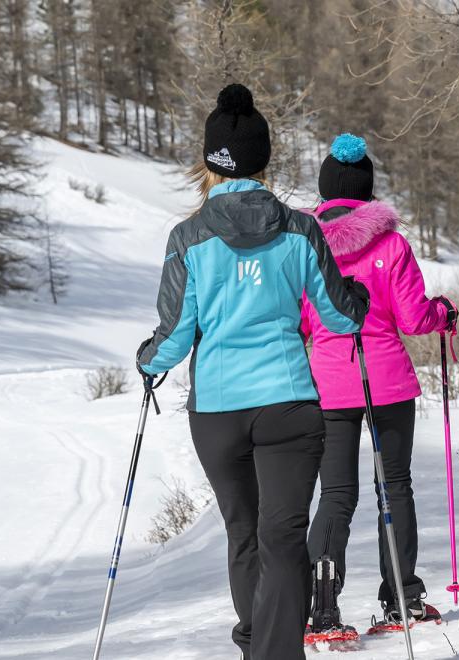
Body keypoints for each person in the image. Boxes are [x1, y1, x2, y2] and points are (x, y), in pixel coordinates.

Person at [135, 86, 369, 660]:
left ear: (211, 163)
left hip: (217, 411)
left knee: (244, 535)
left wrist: (147, 358)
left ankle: (257, 648)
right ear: (263, 159)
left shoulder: (187, 238)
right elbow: (339, 316)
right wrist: (358, 299)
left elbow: (174, 336)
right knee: (283, 538)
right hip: (289, 402)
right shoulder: (301, 229)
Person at [299, 133, 457, 638]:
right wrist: (443, 314)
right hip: (387, 379)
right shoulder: (392, 244)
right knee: (395, 487)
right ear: (367, 192)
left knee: (336, 494)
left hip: (327, 382)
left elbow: (300, 322)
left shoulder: (305, 246)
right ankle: (402, 600)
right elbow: (413, 319)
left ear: (325, 193)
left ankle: (321, 608)